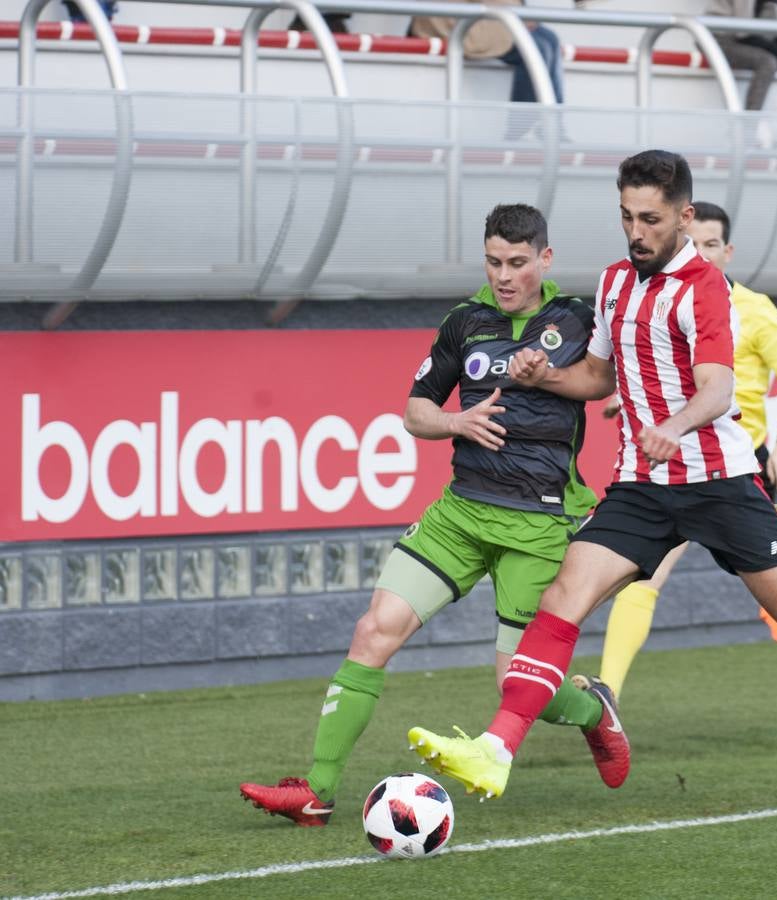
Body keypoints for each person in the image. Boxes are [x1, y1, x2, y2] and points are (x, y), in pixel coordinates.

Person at [406, 150, 777, 801]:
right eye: (627, 217)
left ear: (684, 215)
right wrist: (549, 377)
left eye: (651, 218)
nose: (637, 231)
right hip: (642, 486)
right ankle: (495, 751)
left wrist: (673, 426)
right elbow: (597, 376)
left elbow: (719, 388)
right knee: (562, 599)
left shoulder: (705, 288)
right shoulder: (615, 282)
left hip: (719, 483)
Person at [239, 205, 629, 825]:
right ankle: (316, 789)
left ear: (545, 260)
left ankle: (593, 710)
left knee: (517, 682)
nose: (505, 276)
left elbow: (602, 381)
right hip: (460, 515)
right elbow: (414, 410)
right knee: (374, 630)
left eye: (519, 263)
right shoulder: (466, 322)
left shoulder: (576, 318)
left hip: (537, 524)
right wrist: (456, 420)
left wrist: (547, 373)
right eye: (495, 262)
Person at [597, 200, 777, 697]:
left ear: (728, 251)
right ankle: (608, 695)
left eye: (711, 244)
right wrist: (625, 396)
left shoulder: (756, 313)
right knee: (642, 580)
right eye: (691, 241)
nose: (698, 252)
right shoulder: (654, 296)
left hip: (737, 469)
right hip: (672, 465)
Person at [410, 0, 565, 138]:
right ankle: (520, 132)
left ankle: (548, 127)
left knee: (548, 39)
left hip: (485, 14)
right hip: (456, 19)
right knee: (537, 47)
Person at [707, 0, 777, 120]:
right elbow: (742, 32)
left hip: (761, 42)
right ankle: (748, 130)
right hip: (719, 40)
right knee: (768, 62)